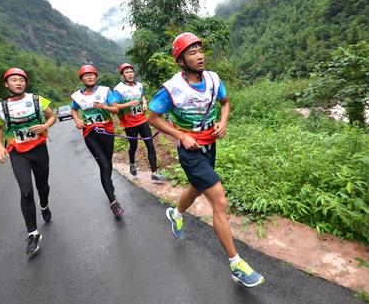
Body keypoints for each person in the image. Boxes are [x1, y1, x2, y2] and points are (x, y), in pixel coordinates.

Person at [148, 33, 265, 288]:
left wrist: (223, 122)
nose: (199, 55)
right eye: (192, 52)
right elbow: (153, 117)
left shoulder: (213, 79)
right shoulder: (172, 89)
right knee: (219, 200)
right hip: (190, 152)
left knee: (198, 187)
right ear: (181, 60)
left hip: (209, 146)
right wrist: (181, 135)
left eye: (200, 50)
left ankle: (175, 213)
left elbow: (225, 102)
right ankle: (236, 264)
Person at [0, 68, 57, 256]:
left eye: (21, 80)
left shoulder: (37, 100)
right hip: (18, 153)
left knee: (42, 186)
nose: (18, 83)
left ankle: (44, 203)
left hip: (39, 149)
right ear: (6, 84)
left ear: (25, 83)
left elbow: (52, 116)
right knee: (26, 191)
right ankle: (32, 233)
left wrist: (45, 125)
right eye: (14, 80)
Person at [70, 65, 124, 217]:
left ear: (96, 76)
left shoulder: (106, 91)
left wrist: (103, 106)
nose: (89, 77)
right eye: (86, 75)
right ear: (81, 79)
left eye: (92, 75)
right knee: (104, 165)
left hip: (107, 131)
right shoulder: (77, 96)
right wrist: (77, 120)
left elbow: (116, 110)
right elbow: (73, 109)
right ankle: (113, 202)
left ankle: (108, 183)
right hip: (90, 134)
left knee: (108, 162)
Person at [112, 63, 164, 184]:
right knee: (134, 146)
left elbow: (143, 96)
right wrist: (129, 104)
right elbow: (114, 107)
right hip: (129, 123)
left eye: (131, 71)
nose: (130, 74)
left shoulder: (139, 85)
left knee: (150, 144)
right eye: (127, 72)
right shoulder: (119, 89)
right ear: (122, 75)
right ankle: (132, 163)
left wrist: (144, 103)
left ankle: (154, 173)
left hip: (142, 120)